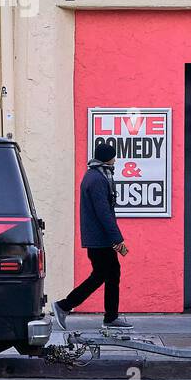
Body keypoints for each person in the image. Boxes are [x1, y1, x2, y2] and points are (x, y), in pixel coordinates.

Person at [51, 141, 132, 330]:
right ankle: (64, 305)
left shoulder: (96, 175)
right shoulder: (97, 179)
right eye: (113, 157)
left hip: (100, 238)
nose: (115, 160)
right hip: (100, 240)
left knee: (110, 274)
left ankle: (110, 317)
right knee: (101, 275)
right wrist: (118, 241)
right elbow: (104, 213)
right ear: (107, 158)